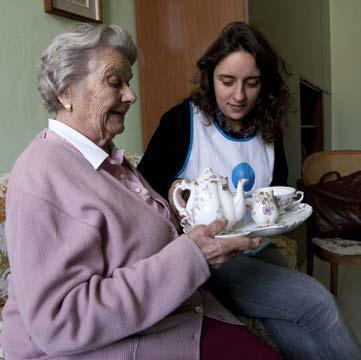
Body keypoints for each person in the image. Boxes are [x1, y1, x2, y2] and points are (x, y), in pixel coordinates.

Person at [0, 23, 287, 360]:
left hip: (170, 315)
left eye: (129, 82)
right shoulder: (43, 175)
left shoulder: (105, 158)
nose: (130, 95)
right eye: (114, 81)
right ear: (65, 91)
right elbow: (61, 321)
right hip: (113, 344)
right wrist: (195, 255)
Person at [138, 22, 361, 359]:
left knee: (295, 331)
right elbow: (142, 198)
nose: (239, 96)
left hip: (257, 249)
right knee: (320, 303)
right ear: (210, 76)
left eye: (251, 83)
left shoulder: (268, 129)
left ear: (264, 84)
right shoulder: (182, 122)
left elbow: (275, 196)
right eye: (227, 82)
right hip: (211, 260)